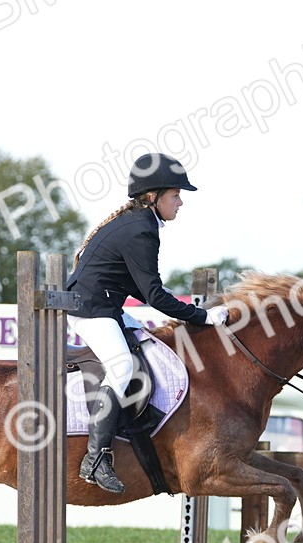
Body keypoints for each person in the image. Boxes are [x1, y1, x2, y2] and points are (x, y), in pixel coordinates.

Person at [64, 152, 229, 494]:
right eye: (175, 195)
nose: (181, 203)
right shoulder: (141, 230)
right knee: (123, 367)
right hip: (91, 307)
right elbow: (153, 294)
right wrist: (203, 316)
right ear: (153, 196)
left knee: (148, 348)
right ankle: (95, 459)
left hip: (106, 304)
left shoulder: (142, 222)